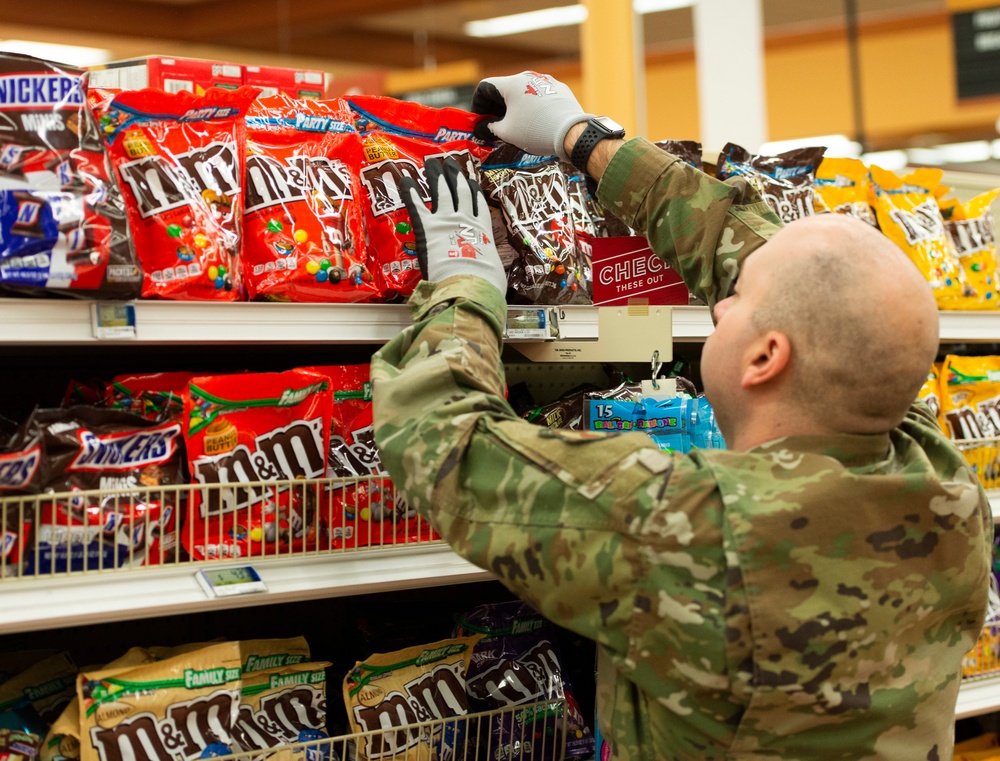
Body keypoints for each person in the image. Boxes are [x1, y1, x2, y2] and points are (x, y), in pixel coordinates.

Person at [370, 71, 993, 760]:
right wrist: (582, 139)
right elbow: (772, 266)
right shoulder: (949, 490)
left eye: (736, 304)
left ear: (765, 358)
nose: (721, 304)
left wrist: (463, 288)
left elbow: (445, 439)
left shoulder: (693, 530)